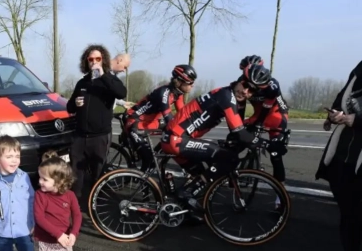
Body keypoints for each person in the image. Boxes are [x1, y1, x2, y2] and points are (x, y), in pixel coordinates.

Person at [161, 63, 269, 208]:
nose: (245, 91)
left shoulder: (229, 95)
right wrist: (267, 144)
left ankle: (181, 206)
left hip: (176, 139)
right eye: (245, 85)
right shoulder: (226, 96)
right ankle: (185, 195)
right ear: (239, 80)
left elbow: (237, 130)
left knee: (202, 176)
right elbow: (239, 132)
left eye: (252, 91)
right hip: (177, 139)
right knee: (228, 158)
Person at [316, 60, 362, 251]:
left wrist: (356, 119)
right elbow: (344, 94)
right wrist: (334, 115)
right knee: (348, 213)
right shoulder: (360, 67)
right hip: (344, 154)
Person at [67, 44, 127, 199]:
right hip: (80, 136)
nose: (94, 62)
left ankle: (95, 205)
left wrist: (103, 76)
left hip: (99, 137)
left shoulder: (110, 80)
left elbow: (121, 93)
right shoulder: (82, 83)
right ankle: (74, 205)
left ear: (103, 60)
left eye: (97, 59)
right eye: (91, 59)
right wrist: (75, 103)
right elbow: (69, 107)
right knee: (75, 175)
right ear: (86, 61)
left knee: (98, 174)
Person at [238, 55, 290, 207]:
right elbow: (240, 107)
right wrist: (239, 126)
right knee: (237, 138)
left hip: (276, 114)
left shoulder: (271, 84)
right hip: (258, 113)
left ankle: (280, 196)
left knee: (276, 155)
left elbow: (267, 109)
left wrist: (259, 124)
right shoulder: (241, 82)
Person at [124, 64, 197, 171]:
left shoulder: (178, 94)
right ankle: (141, 176)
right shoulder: (164, 93)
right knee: (149, 159)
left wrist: (193, 126)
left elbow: (183, 114)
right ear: (180, 81)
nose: (192, 85)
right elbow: (168, 117)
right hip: (134, 122)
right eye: (190, 82)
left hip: (149, 121)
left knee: (169, 134)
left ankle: (157, 153)